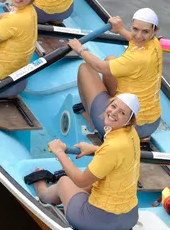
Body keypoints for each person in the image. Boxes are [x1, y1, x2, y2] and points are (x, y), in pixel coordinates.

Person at [34, 93, 141, 230]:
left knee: (65, 181)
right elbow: (121, 157)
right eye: (113, 106)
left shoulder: (113, 147)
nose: (114, 113)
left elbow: (80, 180)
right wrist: (95, 149)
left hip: (96, 221)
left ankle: (43, 193)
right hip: (129, 218)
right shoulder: (131, 134)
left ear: (129, 120)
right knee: (92, 183)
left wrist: (59, 152)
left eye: (121, 113)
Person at [68, 8, 162, 140]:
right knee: (111, 59)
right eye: (135, 29)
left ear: (154, 30)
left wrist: (80, 49)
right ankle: (113, 107)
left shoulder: (136, 59)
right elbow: (134, 40)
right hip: (151, 124)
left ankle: (95, 122)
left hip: (128, 127)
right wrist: (120, 30)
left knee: (85, 69)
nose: (139, 35)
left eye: (145, 31)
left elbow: (99, 67)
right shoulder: (155, 44)